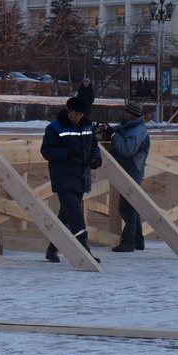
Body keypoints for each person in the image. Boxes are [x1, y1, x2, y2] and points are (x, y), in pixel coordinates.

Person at [41, 97, 102, 263]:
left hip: (81, 176)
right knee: (75, 215)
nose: (79, 117)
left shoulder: (87, 125)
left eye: (81, 114)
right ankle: (84, 251)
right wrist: (67, 154)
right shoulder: (54, 128)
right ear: (68, 111)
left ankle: (52, 248)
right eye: (76, 114)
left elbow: (95, 146)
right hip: (63, 177)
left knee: (66, 215)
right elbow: (46, 151)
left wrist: (96, 159)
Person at [102, 100, 150, 253]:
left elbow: (127, 150)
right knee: (132, 205)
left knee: (127, 207)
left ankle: (129, 241)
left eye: (126, 112)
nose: (124, 113)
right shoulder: (129, 126)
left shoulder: (137, 131)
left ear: (133, 114)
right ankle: (137, 240)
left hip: (132, 171)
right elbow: (120, 134)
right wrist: (109, 130)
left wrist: (113, 134)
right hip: (129, 169)